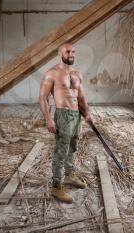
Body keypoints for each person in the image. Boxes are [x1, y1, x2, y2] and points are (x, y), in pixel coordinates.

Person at [39, 43, 92, 203]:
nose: (71, 54)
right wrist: (48, 119)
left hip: (76, 115)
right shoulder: (52, 73)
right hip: (62, 114)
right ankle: (56, 186)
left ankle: (69, 176)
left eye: (73, 51)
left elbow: (81, 97)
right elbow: (42, 98)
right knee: (61, 150)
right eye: (68, 51)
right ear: (60, 53)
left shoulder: (77, 74)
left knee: (72, 147)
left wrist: (87, 112)